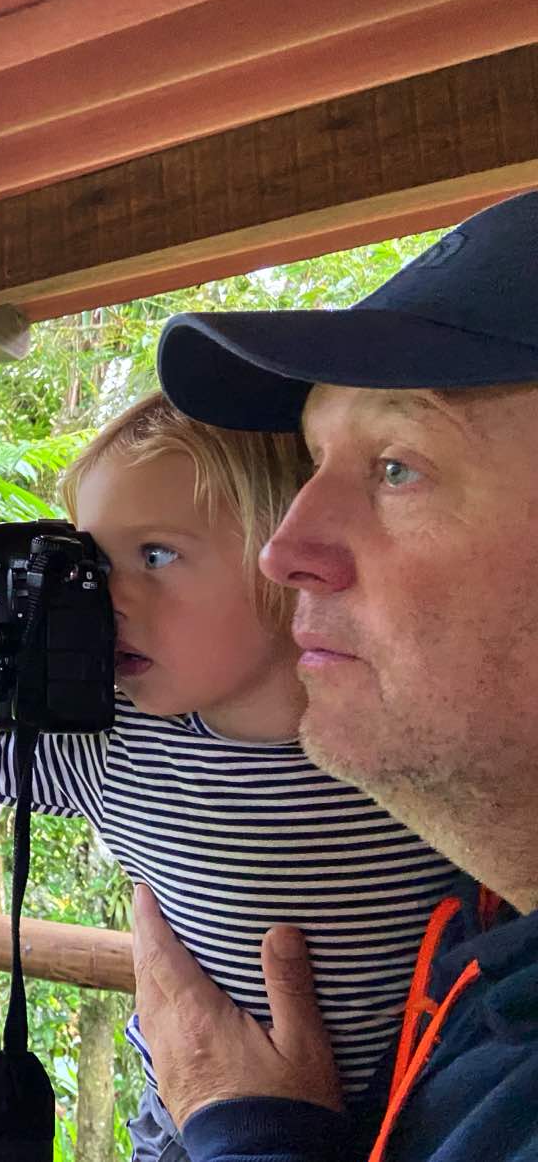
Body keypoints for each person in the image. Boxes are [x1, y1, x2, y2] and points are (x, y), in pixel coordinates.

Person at [0, 392, 459, 1161]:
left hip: (423, 1115)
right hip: (192, 1125)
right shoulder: (112, 737)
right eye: (96, 567)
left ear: (291, 555)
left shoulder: (409, 729)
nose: (112, 602)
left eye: (156, 556)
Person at [137, 188, 538, 1162]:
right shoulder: (484, 958)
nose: (284, 549)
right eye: (315, 461)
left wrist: (257, 1137)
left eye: (397, 466)